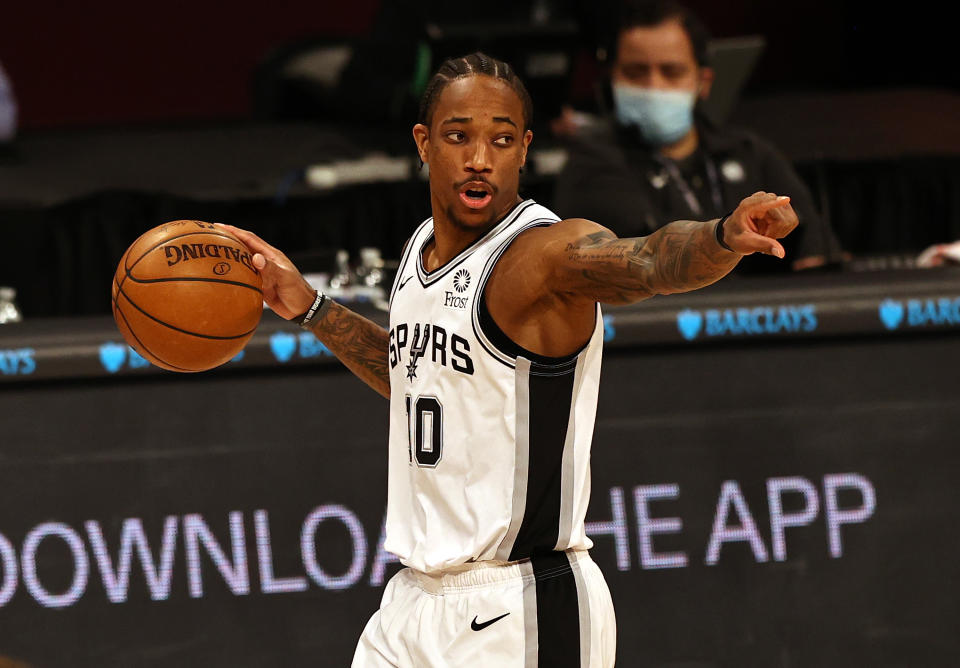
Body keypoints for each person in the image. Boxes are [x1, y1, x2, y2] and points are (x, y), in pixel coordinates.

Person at [221, 51, 797, 667]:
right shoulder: (422, 250)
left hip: (520, 602)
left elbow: (648, 261)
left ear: (524, 150)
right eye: (458, 136)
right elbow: (415, 381)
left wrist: (719, 237)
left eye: (500, 140)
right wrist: (310, 308)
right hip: (413, 601)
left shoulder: (545, 254)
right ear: (423, 143)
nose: (478, 159)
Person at [553, 0, 839, 272]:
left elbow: (814, 242)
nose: (654, 86)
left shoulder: (749, 152)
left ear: (703, 82)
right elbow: (646, 260)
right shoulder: (590, 164)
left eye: (671, 71)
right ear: (612, 78)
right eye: (636, 72)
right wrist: (728, 236)